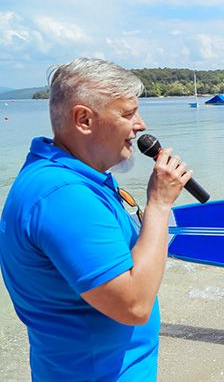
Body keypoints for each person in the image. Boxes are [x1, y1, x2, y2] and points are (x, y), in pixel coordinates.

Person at [0, 58, 190, 380]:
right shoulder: (64, 196)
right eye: (128, 113)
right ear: (84, 119)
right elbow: (133, 305)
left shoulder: (79, 176)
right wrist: (158, 204)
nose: (141, 125)